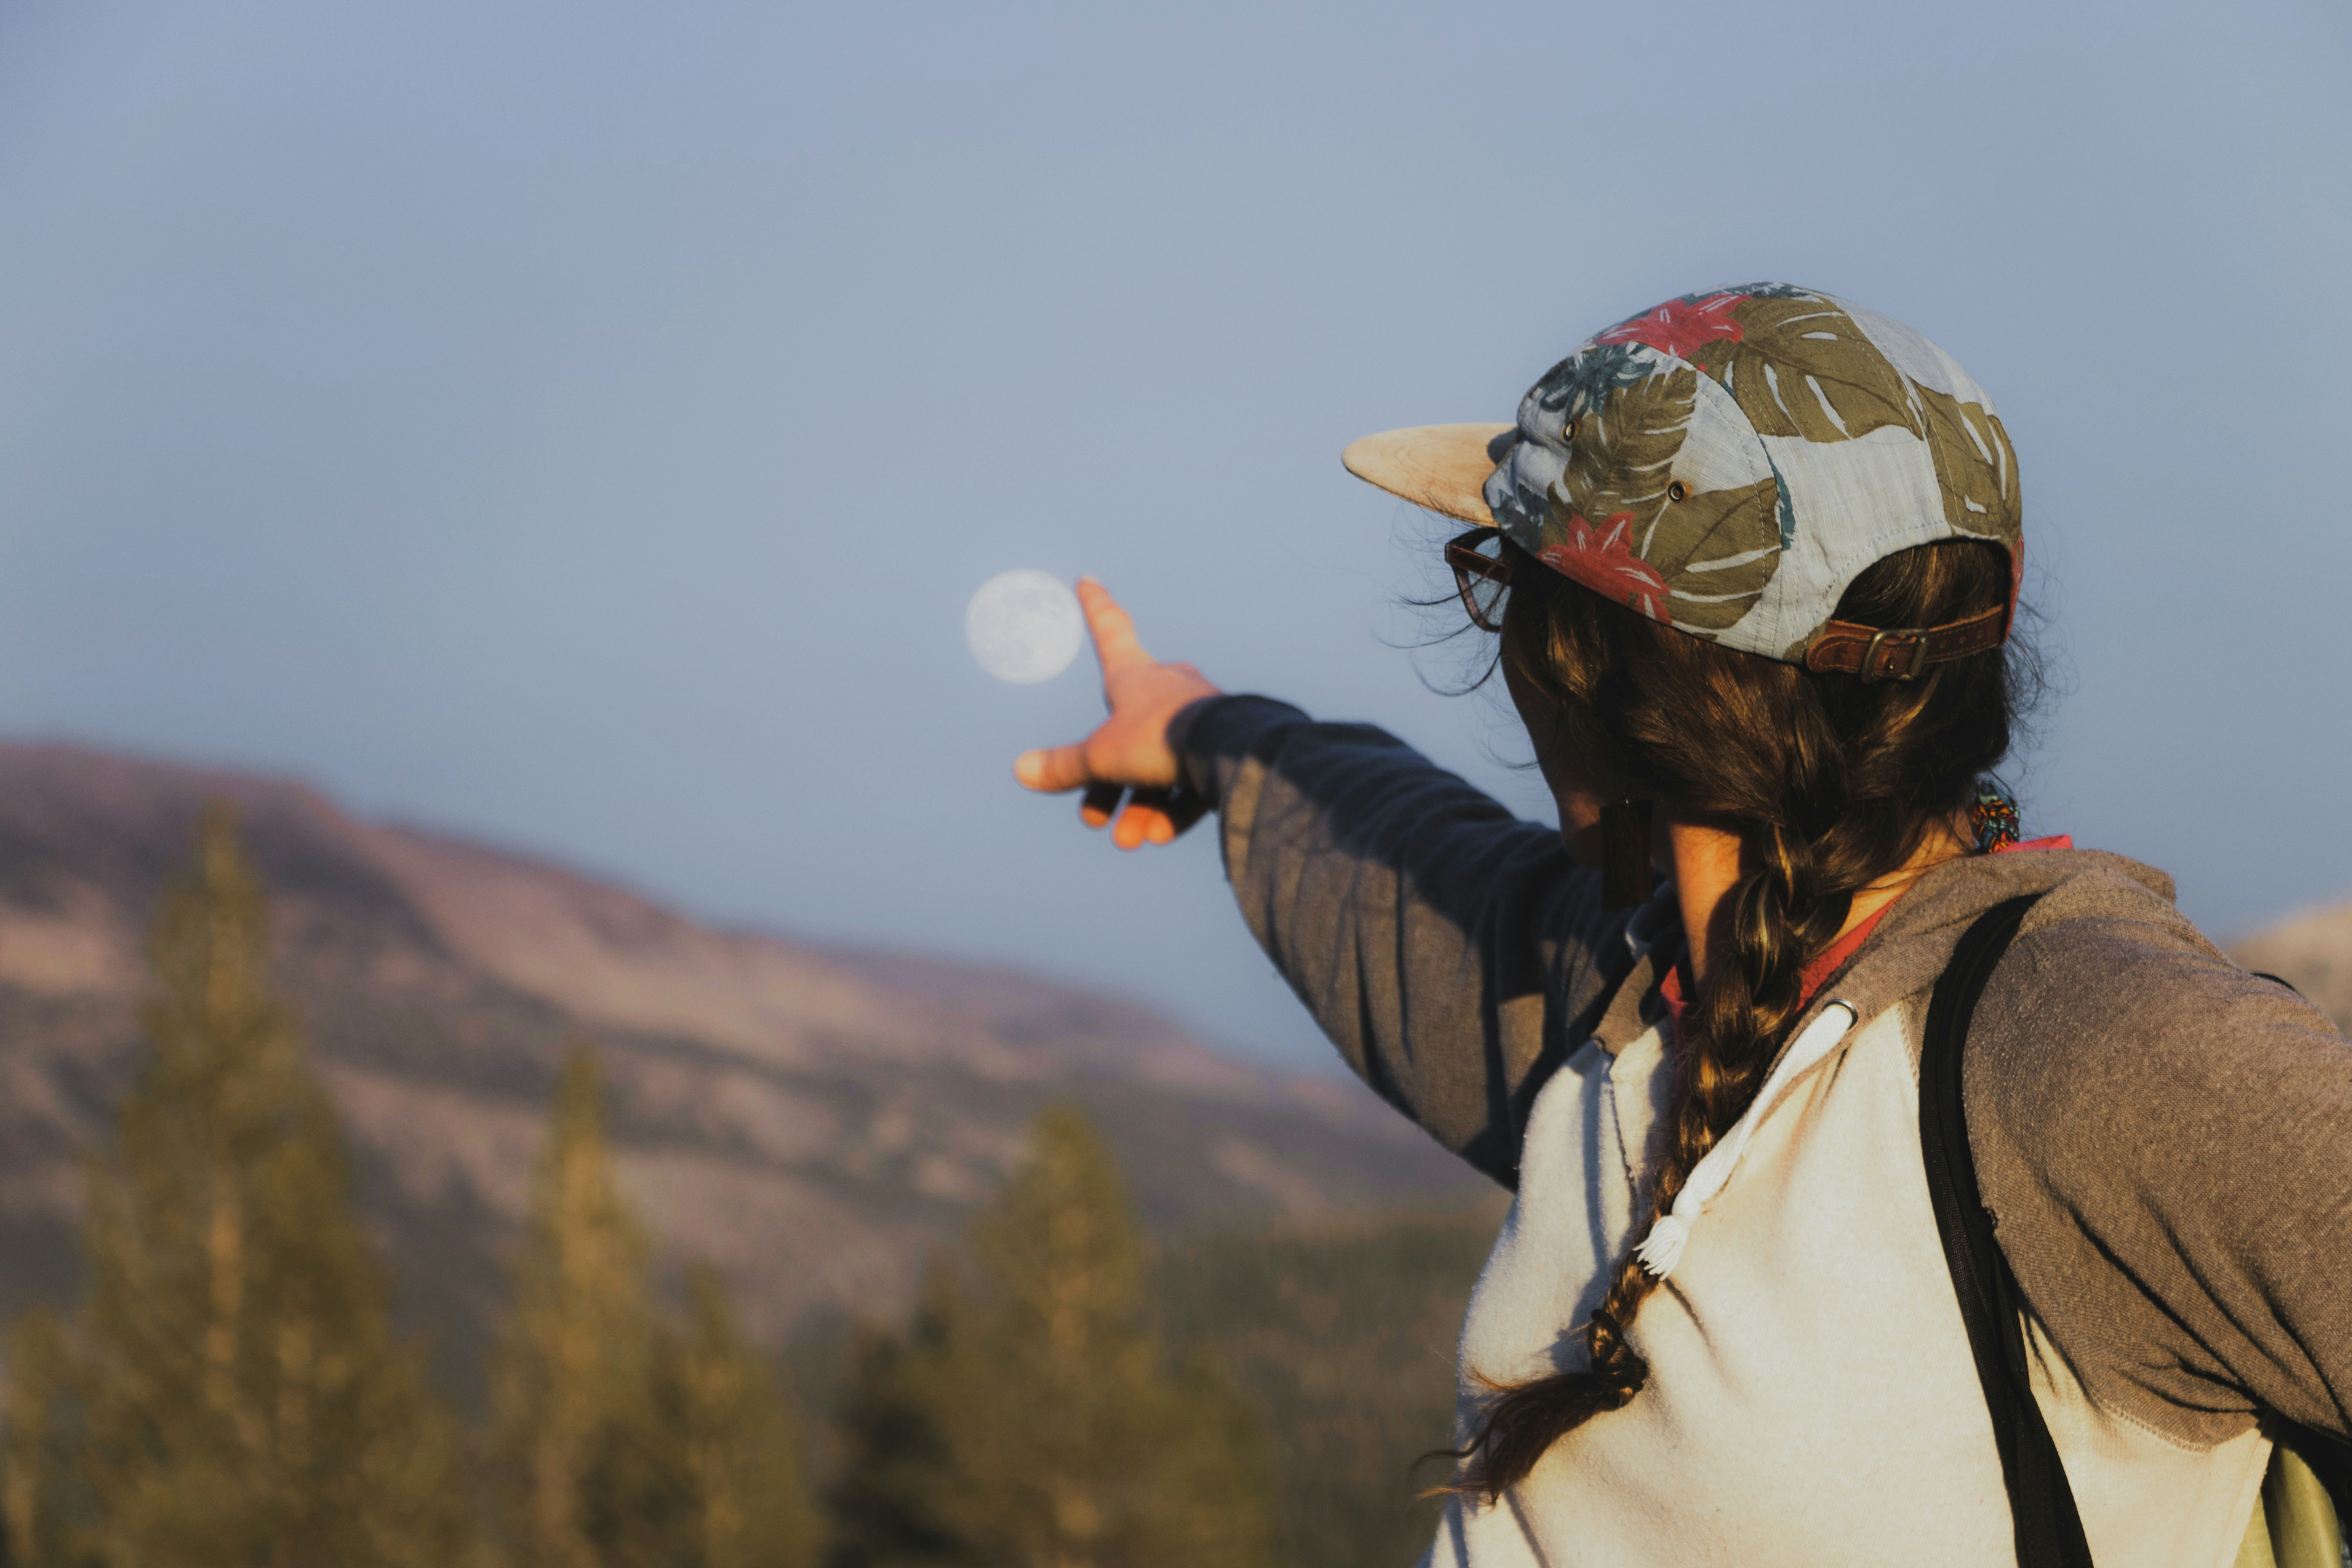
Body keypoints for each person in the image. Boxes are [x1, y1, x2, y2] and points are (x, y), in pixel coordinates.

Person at [1013, 283, 2352, 1567]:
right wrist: (1203, 737)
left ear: (1595, 674)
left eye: (1503, 589)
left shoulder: (2089, 1050)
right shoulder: (1644, 1004)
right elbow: (1402, 875)